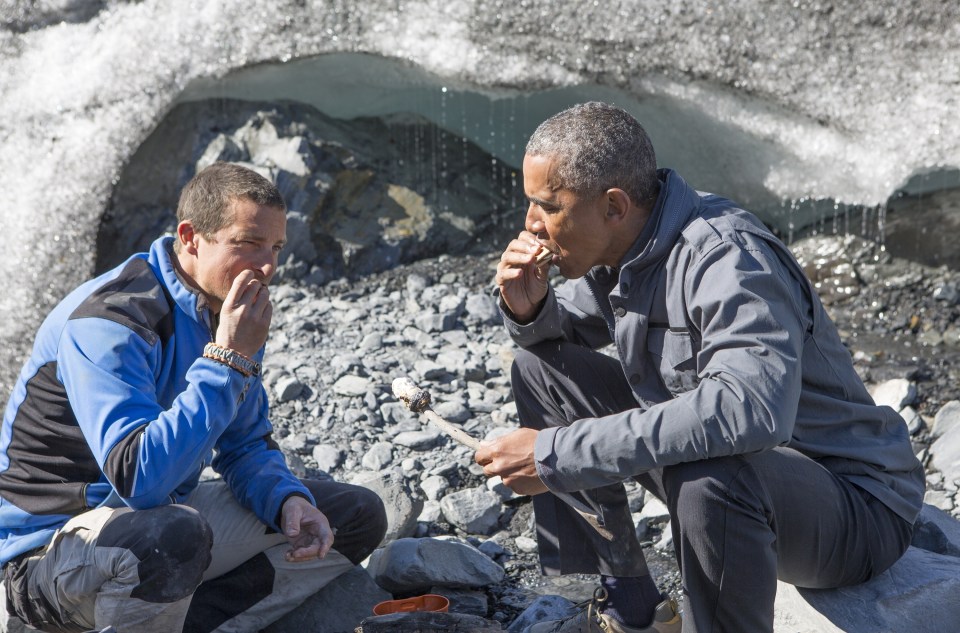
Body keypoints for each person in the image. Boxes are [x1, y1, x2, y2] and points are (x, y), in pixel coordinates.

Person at [476, 102, 924, 633]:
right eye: (529, 204)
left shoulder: (729, 257)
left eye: (547, 206)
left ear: (613, 206)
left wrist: (559, 453)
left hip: (853, 510)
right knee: (538, 366)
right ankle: (631, 603)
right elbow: (569, 331)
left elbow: (751, 413)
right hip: (740, 485)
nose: (531, 224)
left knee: (712, 473)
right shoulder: (629, 245)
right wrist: (528, 310)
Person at [0, 162, 387, 633]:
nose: (266, 267)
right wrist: (227, 358)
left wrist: (287, 501)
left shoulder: (228, 306)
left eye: (276, 247)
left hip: (151, 524)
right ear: (190, 238)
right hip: (44, 556)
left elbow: (244, 443)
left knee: (352, 517)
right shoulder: (110, 321)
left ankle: (181, 621)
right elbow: (139, 479)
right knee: (171, 538)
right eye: (247, 244)